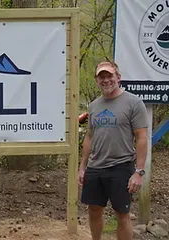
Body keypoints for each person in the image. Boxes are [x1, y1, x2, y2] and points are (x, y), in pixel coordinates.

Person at [78, 61, 148, 240]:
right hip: (95, 167)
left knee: (122, 214)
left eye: (109, 76)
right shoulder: (94, 105)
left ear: (118, 77)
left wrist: (139, 171)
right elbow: (89, 136)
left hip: (121, 167)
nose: (106, 80)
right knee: (94, 210)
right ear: (96, 81)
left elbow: (141, 137)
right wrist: (83, 167)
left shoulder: (133, 103)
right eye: (101, 77)